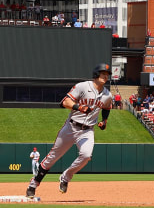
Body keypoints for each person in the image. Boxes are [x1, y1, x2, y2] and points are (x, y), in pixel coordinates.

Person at [26, 63, 114, 199]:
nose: (105, 76)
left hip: (88, 130)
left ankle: (66, 177)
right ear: (96, 74)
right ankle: (33, 184)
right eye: (103, 73)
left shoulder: (107, 95)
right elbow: (64, 102)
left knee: (86, 156)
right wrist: (79, 107)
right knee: (52, 157)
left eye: (107, 74)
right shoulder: (83, 86)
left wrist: (104, 121)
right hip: (71, 127)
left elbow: (107, 107)